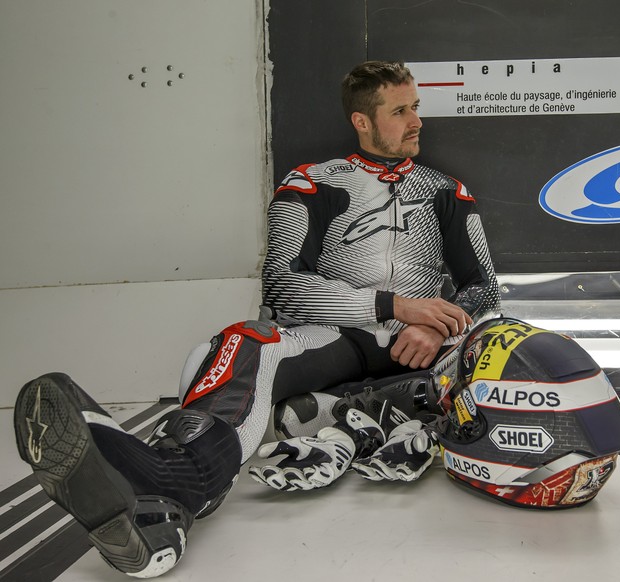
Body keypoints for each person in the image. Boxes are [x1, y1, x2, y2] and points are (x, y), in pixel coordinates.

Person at [13, 60, 499, 578]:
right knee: (244, 341)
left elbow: (484, 285)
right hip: (345, 336)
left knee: (517, 346)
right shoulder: (311, 183)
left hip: (431, 349)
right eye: (400, 110)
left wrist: (433, 323)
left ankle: (169, 491)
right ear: (362, 120)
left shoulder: (447, 189)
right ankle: (174, 489)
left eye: (416, 107)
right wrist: (396, 307)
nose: (416, 120)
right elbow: (283, 285)